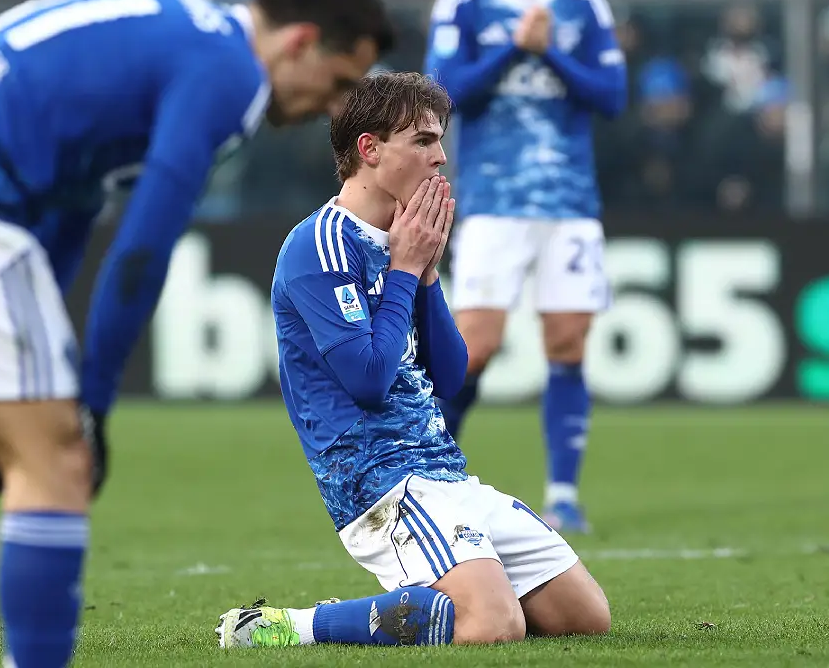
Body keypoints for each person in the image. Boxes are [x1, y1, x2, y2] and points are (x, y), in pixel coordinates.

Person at [0, 0, 393, 668]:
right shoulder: (230, 71)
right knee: (57, 459)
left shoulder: (172, 19)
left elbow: (74, 197)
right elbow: (146, 242)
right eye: (339, 83)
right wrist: (90, 400)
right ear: (300, 41)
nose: (334, 109)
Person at [215, 71, 610, 649]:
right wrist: (404, 269)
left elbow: (451, 377)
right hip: (380, 485)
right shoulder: (320, 246)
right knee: (494, 625)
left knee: (585, 617)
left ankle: (424, 602)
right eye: (423, 140)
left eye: (440, 140)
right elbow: (369, 383)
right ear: (369, 150)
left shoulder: (405, 239)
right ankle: (292, 626)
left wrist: (425, 276)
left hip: (443, 470)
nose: (441, 157)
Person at [423, 0, 628, 533]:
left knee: (567, 341)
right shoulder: (464, 6)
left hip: (569, 200)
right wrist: (517, 46)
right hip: (492, 201)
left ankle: (564, 495)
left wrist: (554, 56)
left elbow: (612, 97)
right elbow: (446, 94)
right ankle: (436, 473)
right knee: (475, 346)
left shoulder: (583, 5)